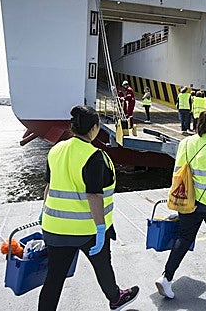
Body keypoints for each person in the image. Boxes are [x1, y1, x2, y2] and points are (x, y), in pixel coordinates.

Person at [39, 105, 139, 310]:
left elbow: (49, 186)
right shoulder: (94, 155)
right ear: (94, 128)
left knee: (54, 278)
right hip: (88, 230)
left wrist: (44, 211)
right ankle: (115, 298)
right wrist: (101, 228)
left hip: (54, 228)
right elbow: (94, 195)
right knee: (103, 267)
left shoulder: (56, 150)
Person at [155, 110, 206, 299]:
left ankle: (166, 277)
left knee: (184, 238)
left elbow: (178, 171)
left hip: (189, 201)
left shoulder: (185, 143)